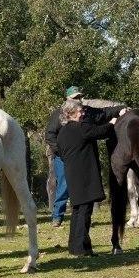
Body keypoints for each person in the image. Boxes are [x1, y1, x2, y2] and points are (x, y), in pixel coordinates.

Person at [45, 85, 125, 227]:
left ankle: (82, 215)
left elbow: (104, 112)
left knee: (85, 185)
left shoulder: (87, 112)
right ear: (68, 98)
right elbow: (50, 135)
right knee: (63, 185)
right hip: (64, 157)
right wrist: (62, 152)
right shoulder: (58, 114)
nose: (79, 99)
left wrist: (121, 109)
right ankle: (57, 216)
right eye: (75, 97)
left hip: (82, 159)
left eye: (80, 96)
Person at [56, 101, 124, 256]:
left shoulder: (63, 132)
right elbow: (98, 132)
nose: (83, 113)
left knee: (77, 211)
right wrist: (112, 122)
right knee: (85, 211)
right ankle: (82, 249)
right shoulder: (80, 128)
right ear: (70, 113)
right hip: (84, 175)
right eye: (80, 111)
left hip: (72, 175)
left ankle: (75, 247)